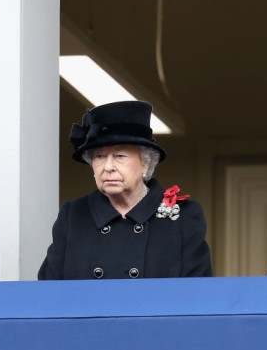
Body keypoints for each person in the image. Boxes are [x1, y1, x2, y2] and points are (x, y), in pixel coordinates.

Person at [38, 100, 212, 280]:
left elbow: (197, 294)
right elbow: (48, 292)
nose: (108, 167)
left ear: (146, 162)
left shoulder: (184, 216)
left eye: (120, 156)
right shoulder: (73, 215)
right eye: (100, 156)